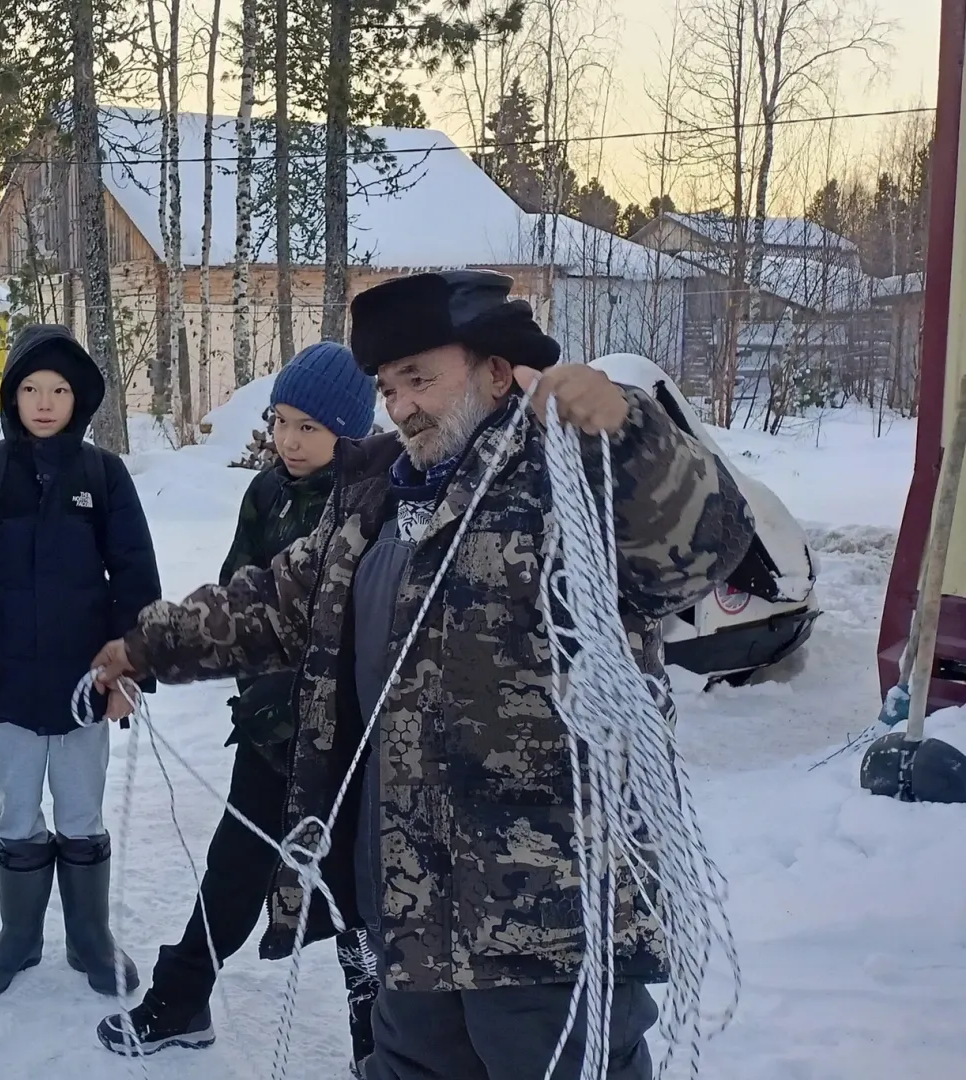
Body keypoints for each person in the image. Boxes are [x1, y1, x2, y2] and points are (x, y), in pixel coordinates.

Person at [91, 270, 755, 1080]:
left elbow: (709, 544)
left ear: (496, 371)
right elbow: (275, 600)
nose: (402, 404)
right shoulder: (373, 496)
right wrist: (144, 646)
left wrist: (627, 430)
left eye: (421, 379)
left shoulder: (569, 478)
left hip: (546, 914)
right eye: (388, 385)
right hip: (409, 903)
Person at [96, 342, 386, 1065]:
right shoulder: (266, 493)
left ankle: (376, 1038)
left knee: (358, 898)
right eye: (281, 421)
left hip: (349, 746)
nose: (289, 440)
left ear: (349, 432)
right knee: (234, 868)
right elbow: (241, 596)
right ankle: (183, 995)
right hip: (268, 729)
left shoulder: (375, 506)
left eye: (309, 428)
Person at [0, 324, 163, 1000]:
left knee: (82, 810)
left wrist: (129, 675)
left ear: (79, 399)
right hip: (2, 688)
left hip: (85, 688)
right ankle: (19, 938)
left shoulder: (102, 474)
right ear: (11, 396)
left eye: (59, 389)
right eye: (30, 388)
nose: (43, 401)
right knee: (16, 811)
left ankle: (90, 939)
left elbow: (136, 580)